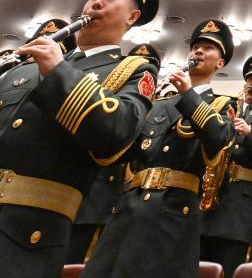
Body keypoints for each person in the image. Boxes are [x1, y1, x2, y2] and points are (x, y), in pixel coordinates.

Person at [0, 0, 159, 278]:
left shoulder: (134, 71)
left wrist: (58, 71)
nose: (96, 3)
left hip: (31, 231)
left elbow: (115, 132)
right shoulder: (25, 67)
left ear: (132, 17)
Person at [83, 18, 236, 278]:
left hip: (172, 212)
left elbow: (218, 136)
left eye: (208, 48)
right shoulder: (159, 103)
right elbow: (126, 149)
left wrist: (188, 94)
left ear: (220, 63)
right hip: (129, 207)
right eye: (195, 47)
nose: (198, 51)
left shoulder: (222, 104)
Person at [66, 41, 164, 264]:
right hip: (69, 182)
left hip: (102, 191)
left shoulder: (153, 103)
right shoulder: (111, 80)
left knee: (77, 262)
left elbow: (136, 148)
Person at [199, 52, 252, 275]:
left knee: (230, 267)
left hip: (239, 210)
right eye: (250, 78)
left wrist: (251, 133)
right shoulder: (228, 108)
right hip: (212, 199)